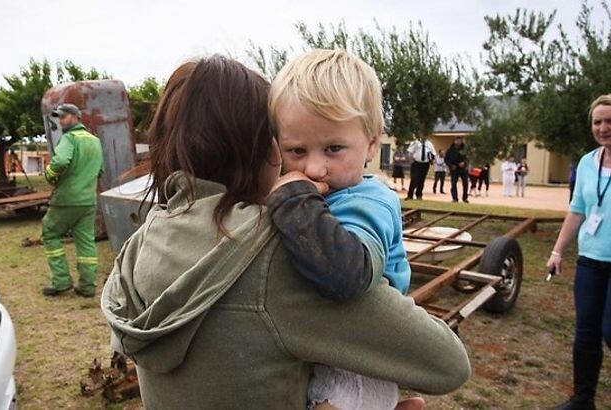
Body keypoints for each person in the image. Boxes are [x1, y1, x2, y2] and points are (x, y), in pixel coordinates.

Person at [101, 55, 471, 409]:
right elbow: (448, 363)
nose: (312, 167)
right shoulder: (275, 251)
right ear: (262, 148)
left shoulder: (141, 243)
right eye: (292, 148)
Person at [267, 49, 419, 410]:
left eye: (333, 148)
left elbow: (346, 274)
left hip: (356, 368)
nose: (316, 167)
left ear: (371, 142)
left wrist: (292, 200)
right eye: (296, 150)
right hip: (327, 350)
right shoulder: (326, 190)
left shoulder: (368, 201)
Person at [546, 95, 611, 410]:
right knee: (586, 332)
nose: (603, 127)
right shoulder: (587, 162)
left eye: (609, 121)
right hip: (590, 261)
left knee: (610, 329)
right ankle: (583, 399)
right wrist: (558, 251)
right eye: (598, 122)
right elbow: (577, 211)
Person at [41, 103, 104, 297]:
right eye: (59, 117)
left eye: (64, 116)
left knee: (50, 233)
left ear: (76, 117)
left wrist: (49, 175)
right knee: (86, 241)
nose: (61, 120)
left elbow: (60, 162)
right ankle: (87, 286)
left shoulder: (69, 138)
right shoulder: (95, 141)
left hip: (67, 199)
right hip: (88, 200)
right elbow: (100, 171)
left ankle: (61, 282)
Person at [445, 137, 469, 203]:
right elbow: (446, 160)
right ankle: (455, 198)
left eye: (460, 141)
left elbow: (468, 158)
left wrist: (464, 163)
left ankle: (465, 198)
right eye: (457, 140)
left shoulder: (465, 150)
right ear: (454, 141)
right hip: (454, 169)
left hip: (463, 169)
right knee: (453, 184)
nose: (458, 142)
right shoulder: (450, 150)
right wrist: (451, 166)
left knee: (465, 183)